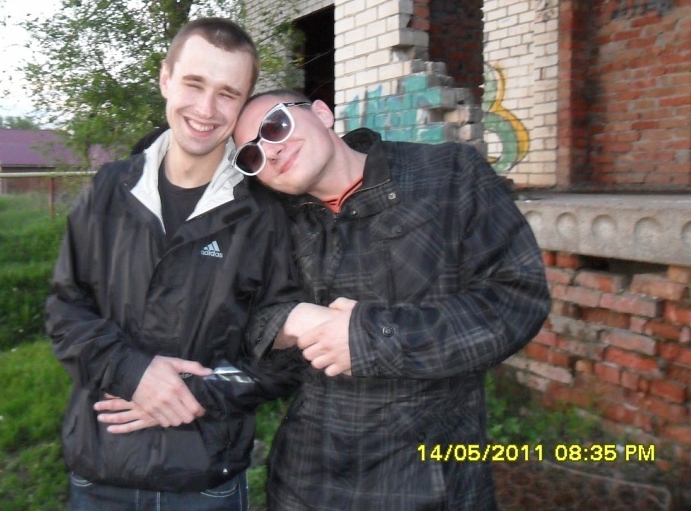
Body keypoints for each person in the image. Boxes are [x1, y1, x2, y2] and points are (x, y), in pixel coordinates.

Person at [231, 90, 551, 511]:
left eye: (275, 126)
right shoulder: (272, 223)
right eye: (251, 155)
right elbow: (241, 319)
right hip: (308, 482)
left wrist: (371, 338)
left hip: (435, 478)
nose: (270, 151)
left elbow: (517, 298)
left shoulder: (448, 175)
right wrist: (284, 323)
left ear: (322, 114)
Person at [45, 18, 312, 511]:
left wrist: (189, 393)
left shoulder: (266, 215)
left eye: (228, 94)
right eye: (194, 83)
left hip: (205, 478)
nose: (206, 109)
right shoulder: (109, 189)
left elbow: (286, 358)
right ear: (166, 79)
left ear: (243, 106)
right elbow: (64, 311)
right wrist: (131, 372)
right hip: (99, 470)